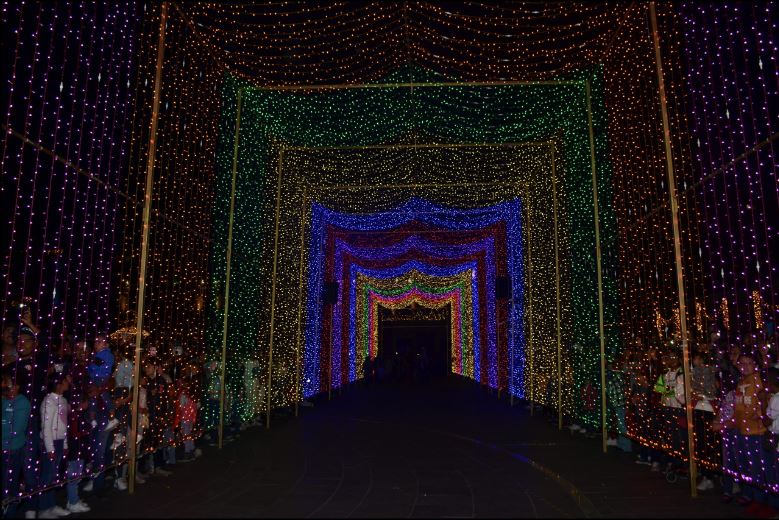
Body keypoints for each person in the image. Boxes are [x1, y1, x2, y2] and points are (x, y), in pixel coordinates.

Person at [733, 354, 770, 516]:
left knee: (758, 468)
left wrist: (759, 413)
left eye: (749, 363)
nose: (746, 366)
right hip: (742, 430)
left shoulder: (758, 381)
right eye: (743, 363)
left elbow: (765, 400)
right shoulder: (741, 381)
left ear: (755, 364)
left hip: (757, 431)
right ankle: (753, 497)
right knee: (747, 466)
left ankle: (762, 501)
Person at [37, 373, 71, 519]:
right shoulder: (48, 402)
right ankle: (44, 508)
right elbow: (46, 428)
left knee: (53, 474)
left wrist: (64, 444)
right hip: (50, 443)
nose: (68, 383)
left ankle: (51, 505)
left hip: (59, 441)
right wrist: (50, 448)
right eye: (65, 381)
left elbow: (63, 425)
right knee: (48, 475)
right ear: (58, 384)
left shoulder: (62, 400)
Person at [2, 369, 31, 519]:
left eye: (10, 384)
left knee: (10, 486)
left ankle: (10, 514)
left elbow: (16, 429)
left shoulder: (22, 402)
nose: (7, 388)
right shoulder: (3, 400)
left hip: (12, 450)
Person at [763, 367, 778, 513]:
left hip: (775, 435)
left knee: (773, 471)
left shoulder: (775, 398)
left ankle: (774, 505)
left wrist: (763, 403)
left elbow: (767, 421)